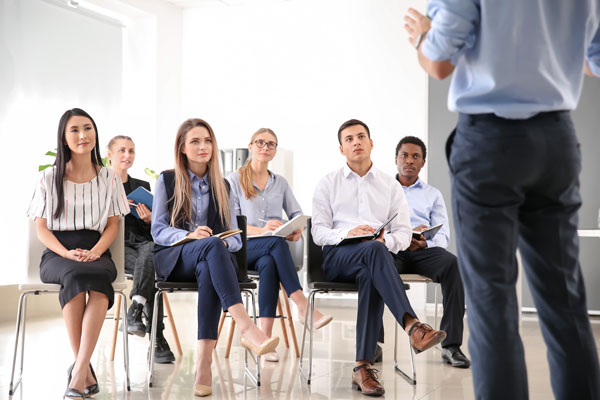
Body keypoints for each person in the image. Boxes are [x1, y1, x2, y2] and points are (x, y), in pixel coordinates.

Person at [404, 2, 600, 399]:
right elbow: (594, 60)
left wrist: (422, 35)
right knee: (565, 301)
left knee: (492, 305)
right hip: (556, 139)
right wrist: (546, 52)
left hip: (490, 144)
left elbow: (439, 62)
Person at [311, 119, 446, 397]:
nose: (356, 142)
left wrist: (386, 241)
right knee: (374, 253)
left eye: (361, 137)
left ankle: (362, 367)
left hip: (375, 256)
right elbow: (318, 233)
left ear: (371, 144)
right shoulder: (327, 184)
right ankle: (413, 326)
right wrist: (349, 232)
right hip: (338, 257)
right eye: (349, 139)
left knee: (373, 264)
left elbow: (404, 232)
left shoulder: (389, 184)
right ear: (341, 149)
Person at [151, 118, 279, 397]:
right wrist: (190, 236)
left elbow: (235, 238)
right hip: (176, 257)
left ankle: (204, 365)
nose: (203, 146)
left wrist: (216, 241)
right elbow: (158, 230)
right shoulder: (167, 179)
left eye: (207, 140)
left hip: (211, 259)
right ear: (182, 148)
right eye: (195, 141)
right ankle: (247, 327)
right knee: (209, 247)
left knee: (211, 260)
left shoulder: (223, 185)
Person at [27, 108, 130, 399]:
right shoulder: (48, 178)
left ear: (95, 133)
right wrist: (67, 253)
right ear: (64, 136)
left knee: (97, 282)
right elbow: (42, 230)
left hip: (97, 250)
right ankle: (82, 371)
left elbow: (112, 225)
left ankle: (78, 371)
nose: (83, 135)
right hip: (58, 253)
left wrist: (96, 251)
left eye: (88, 128)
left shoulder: (110, 177)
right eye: (74, 130)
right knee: (74, 276)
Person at [227, 128, 332, 363]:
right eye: (261, 143)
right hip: (242, 250)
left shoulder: (280, 183)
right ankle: (302, 305)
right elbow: (232, 224)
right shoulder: (234, 180)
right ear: (251, 146)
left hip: (269, 252)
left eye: (271, 144)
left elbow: (297, 214)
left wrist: (295, 229)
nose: (266, 147)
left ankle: (265, 339)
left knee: (269, 264)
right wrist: (265, 231)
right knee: (274, 242)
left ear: (275, 151)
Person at [392, 136, 468, 368]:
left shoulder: (432, 194)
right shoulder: (384, 189)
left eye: (416, 156)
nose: (409, 160)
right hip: (394, 248)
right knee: (375, 268)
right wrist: (402, 234)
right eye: (404, 155)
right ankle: (373, 343)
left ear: (423, 162)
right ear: (396, 159)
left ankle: (451, 346)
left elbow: (443, 236)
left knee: (453, 265)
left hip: (423, 250)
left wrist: (425, 242)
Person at [106, 135, 175, 363]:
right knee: (151, 267)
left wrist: (149, 220)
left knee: (151, 250)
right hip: (115, 245)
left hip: (142, 244)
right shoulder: (99, 185)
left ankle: (135, 309)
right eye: (122, 151)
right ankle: (158, 340)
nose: (127, 156)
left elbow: (154, 230)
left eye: (131, 151)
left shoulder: (141, 187)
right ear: (110, 154)